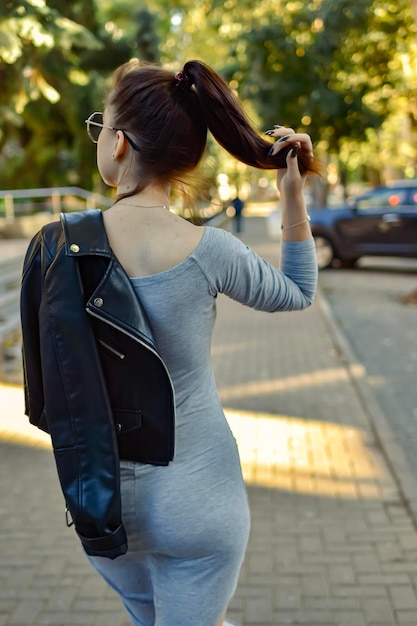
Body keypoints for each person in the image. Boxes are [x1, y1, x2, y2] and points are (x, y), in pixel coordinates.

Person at [20, 59, 319, 626]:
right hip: (201, 498)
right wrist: (291, 195)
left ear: (122, 145)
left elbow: (44, 393)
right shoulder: (213, 251)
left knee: (146, 616)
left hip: (101, 501)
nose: (99, 139)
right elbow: (299, 292)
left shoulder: (56, 246)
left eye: (100, 127)